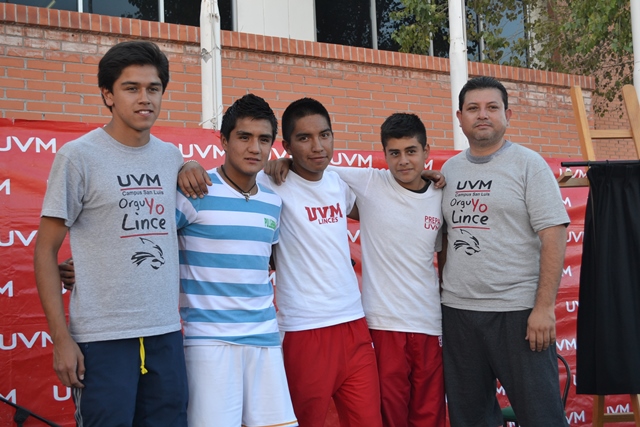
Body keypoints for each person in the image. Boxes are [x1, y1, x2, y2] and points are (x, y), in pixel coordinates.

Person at [180, 98, 383, 427]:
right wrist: (185, 163)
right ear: (287, 146)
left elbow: (389, 196)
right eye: (304, 138)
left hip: (349, 324)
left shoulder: (332, 185)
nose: (317, 146)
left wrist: (424, 181)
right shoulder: (267, 184)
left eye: (324, 135)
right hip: (297, 329)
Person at [34, 41, 188, 426]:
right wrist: (61, 339)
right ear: (108, 94)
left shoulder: (171, 157)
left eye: (153, 88)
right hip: (101, 338)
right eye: (131, 88)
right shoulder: (78, 156)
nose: (145, 98)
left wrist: (191, 164)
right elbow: (45, 251)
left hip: (165, 333)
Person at [267, 113, 446, 427]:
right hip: (375, 323)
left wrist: (431, 176)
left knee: (426, 415)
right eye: (394, 153)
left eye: (411, 151)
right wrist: (283, 161)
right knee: (387, 415)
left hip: (425, 323)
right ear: (384, 154)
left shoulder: (440, 194)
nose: (404, 160)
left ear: (426, 151)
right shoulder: (369, 182)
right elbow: (313, 164)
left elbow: (444, 257)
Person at [439, 76, 570, 427]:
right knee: (471, 418)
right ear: (460, 117)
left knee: (542, 416)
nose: (482, 115)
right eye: (473, 108)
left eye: (492, 107)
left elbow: (554, 236)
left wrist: (543, 309)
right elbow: (444, 238)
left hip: (518, 313)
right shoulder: (450, 170)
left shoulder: (529, 164)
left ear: (507, 115)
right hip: (459, 313)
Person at [176, 93, 297, 426]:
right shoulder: (195, 190)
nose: (254, 148)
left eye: (263, 139)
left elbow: (265, 262)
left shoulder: (273, 201)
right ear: (224, 140)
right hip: (209, 341)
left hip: (265, 338)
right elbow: (149, 241)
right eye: (244, 137)